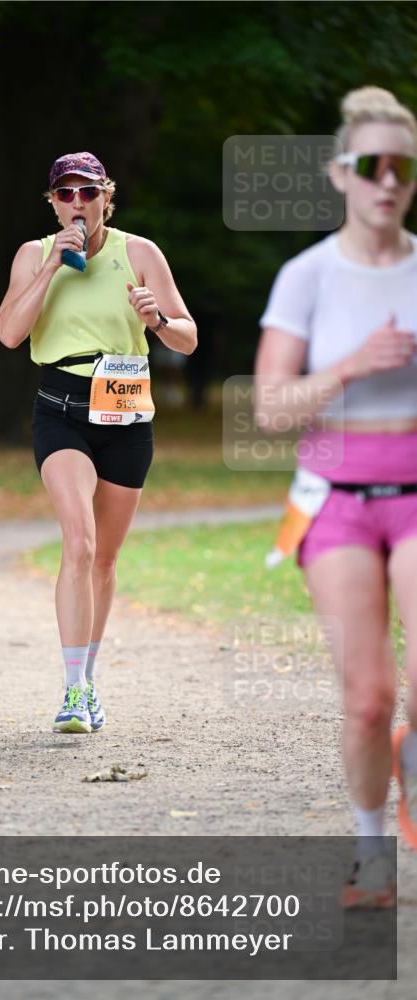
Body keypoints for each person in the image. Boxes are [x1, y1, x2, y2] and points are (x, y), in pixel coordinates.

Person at [255, 87, 417, 907]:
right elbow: (268, 407)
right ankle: (371, 853)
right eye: (370, 166)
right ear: (339, 173)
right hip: (338, 499)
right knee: (366, 701)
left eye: (402, 167)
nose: (386, 181)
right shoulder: (306, 276)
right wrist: (351, 364)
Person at [0, 152, 197, 733]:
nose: (77, 203)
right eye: (66, 193)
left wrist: (156, 319)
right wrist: (52, 267)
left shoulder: (140, 253)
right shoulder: (34, 255)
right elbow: (10, 332)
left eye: (88, 192)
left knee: (105, 558)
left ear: (107, 196)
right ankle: (73, 690)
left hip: (127, 409)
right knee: (78, 543)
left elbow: (185, 339)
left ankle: (90, 676)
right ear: (53, 201)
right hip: (61, 409)